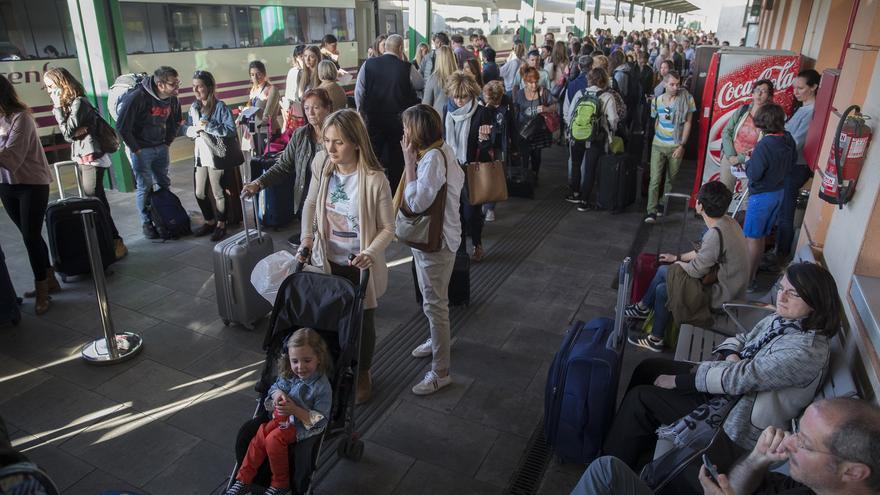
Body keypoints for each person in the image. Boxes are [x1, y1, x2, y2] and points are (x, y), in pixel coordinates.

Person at [604, 261, 845, 492]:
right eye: (781, 288)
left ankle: (609, 472)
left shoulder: (805, 351)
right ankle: (633, 443)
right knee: (649, 368)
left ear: (815, 302)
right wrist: (732, 357)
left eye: (792, 294)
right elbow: (741, 340)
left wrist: (680, 381)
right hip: (728, 393)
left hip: (735, 419)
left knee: (641, 399)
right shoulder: (785, 321)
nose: (780, 297)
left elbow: (742, 378)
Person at [574, 398, 880, 495]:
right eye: (796, 430)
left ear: (853, 471)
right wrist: (759, 459)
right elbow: (739, 485)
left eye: (805, 443)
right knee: (607, 470)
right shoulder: (810, 487)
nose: (789, 441)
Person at [296, 109, 393, 405]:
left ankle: (363, 373)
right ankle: (333, 368)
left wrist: (369, 253)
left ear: (356, 143)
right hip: (327, 260)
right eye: (327, 141)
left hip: (358, 266)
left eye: (338, 142)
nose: (331, 148)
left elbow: (389, 228)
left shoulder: (375, 180)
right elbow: (311, 203)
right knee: (329, 319)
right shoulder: (323, 164)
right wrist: (307, 239)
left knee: (362, 323)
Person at [625, 181, 749, 351]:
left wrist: (677, 263)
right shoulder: (727, 222)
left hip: (722, 295)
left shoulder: (715, 234)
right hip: (731, 287)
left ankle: (643, 311)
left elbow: (696, 270)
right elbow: (704, 252)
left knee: (664, 275)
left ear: (701, 206)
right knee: (664, 286)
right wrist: (678, 257)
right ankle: (654, 335)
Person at [399, 104, 465, 396]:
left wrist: (408, 163)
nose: (403, 134)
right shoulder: (442, 150)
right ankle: (437, 340)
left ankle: (441, 371)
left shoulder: (432, 160)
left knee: (435, 304)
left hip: (435, 242)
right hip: (439, 237)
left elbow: (415, 203)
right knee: (435, 301)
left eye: (406, 128)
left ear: (417, 132)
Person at [226, 328, 333, 495]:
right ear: (289, 359)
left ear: (319, 358)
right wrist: (278, 394)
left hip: (302, 426)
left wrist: (295, 410)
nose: (300, 367)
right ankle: (244, 479)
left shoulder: (321, 387)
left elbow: (320, 420)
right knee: (260, 433)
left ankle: (280, 484)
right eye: (295, 361)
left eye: (307, 360)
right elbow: (275, 387)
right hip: (281, 419)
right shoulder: (289, 374)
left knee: (274, 439)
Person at [44, 67, 127, 259]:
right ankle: (110, 241)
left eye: (51, 86)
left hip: (93, 159)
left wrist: (57, 107)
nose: (49, 91)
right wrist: (72, 129)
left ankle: (115, 241)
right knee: (96, 201)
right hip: (84, 157)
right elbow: (70, 134)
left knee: (94, 201)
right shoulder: (71, 105)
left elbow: (66, 133)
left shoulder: (79, 103)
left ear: (61, 84)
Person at [0, 75, 57, 315]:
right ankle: (50, 278)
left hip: (32, 184)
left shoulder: (21, 118)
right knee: (28, 234)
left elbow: (12, 158)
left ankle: (42, 290)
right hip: (6, 184)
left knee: (30, 237)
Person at [244, 88, 333, 222]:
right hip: (307, 202)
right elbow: (283, 166)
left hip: (333, 204)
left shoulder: (338, 134)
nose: (311, 113)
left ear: (328, 108)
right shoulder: (300, 135)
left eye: (316, 107)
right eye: (307, 108)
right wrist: (258, 183)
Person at [115, 65, 182, 239]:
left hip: (161, 147)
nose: (177, 88)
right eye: (174, 84)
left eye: (178, 83)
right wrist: (135, 149)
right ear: (160, 85)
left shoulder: (172, 99)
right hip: (141, 150)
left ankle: (165, 216)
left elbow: (176, 121)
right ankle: (147, 223)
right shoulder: (137, 98)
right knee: (144, 187)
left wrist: (167, 142)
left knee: (163, 183)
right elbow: (122, 127)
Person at [354, 34, 420, 192]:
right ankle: (395, 196)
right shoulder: (405, 67)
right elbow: (419, 83)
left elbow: (359, 91)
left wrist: (361, 113)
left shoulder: (368, 65)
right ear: (399, 48)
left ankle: (374, 191)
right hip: (398, 123)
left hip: (373, 121)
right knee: (396, 161)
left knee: (374, 159)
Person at [743, 103, 795, 292]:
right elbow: (791, 164)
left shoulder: (765, 144)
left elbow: (754, 174)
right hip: (779, 192)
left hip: (761, 197)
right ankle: (753, 273)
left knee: (752, 238)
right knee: (761, 236)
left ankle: (748, 281)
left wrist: (749, 161)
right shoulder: (788, 139)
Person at [180, 70, 236, 242]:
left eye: (200, 86)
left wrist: (208, 126)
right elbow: (186, 129)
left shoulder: (220, 107)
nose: (196, 90)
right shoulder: (194, 108)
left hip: (215, 156)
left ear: (209, 87)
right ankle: (209, 221)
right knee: (200, 192)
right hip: (199, 155)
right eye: (194, 86)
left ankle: (221, 224)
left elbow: (230, 130)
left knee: (218, 192)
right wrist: (192, 130)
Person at [773, 69, 820, 265]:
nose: (796, 92)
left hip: (796, 167)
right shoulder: (802, 108)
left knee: (786, 211)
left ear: (814, 87)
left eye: (800, 88)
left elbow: (795, 142)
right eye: (794, 87)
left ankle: (780, 254)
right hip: (789, 164)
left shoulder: (811, 112)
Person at [444, 71, 489, 262]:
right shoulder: (447, 110)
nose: (460, 101)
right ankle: (460, 251)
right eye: (456, 96)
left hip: (471, 170)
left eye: (464, 96)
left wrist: (483, 139)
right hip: (451, 169)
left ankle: (477, 243)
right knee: (455, 214)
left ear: (471, 93)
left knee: (471, 214)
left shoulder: (480, 112)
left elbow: (486, 149)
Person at [564, 67, 618, 212]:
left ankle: (575, 193)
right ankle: (584, 201)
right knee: (590, 170)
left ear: (589, 79)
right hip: (596, 137)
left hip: (576, 135)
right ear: (605, 80)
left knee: (576, 164)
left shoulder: (580, 93)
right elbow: (613, 119)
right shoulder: (607, 96)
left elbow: (570, 115)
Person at [645, 70, 695, 223]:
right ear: (664, 83)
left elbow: (688, 123)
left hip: (676, 145)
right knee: (654, 179)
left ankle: (662, 203)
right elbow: (657, 120)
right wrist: (657, 137)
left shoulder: (687, 99)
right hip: (658, 145)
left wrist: (682, 145)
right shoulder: (657, 101)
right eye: (672, 84)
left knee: (670, 179)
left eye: (677, 84)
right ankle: (651, 211)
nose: (675, 87)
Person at [720, 79, 775, 191]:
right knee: (722, 194)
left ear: (769, 96)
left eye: (764, 91)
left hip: (751, 162)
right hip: (730, 157)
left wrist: (740, 159)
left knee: (746, 199)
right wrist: (731, 156)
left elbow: (765, 145)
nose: (759, 94)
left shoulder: (770, 117)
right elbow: (726, 132)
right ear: (752, 93)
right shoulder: (743, 110)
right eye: (757, 90)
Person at [513, 66, 556, 181]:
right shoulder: (520, 94)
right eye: (531, 82)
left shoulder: (544, 92)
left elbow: (555, 106)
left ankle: (535, 175)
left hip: (538, 131)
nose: (534, 85)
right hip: (523, 131)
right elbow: (516, 110)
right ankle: (526, 180)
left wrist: (545, 109)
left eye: (536, 81)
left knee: (536, 156)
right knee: (524, 157)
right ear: (525, 82)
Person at [479, 80, 514, 223]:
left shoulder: (506, 102)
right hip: (483, 145)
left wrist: (515, 145)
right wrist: (487, 108)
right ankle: (482, 202)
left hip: (500, 143)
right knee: (483, 175)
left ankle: (490, 207)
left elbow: (512, 124)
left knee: (498, 175)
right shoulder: (480, 104)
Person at [422, 46, 457, 116]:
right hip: (459, 119)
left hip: (439, 119)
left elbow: (426, 105)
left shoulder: (433, 78)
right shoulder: (460, 77)